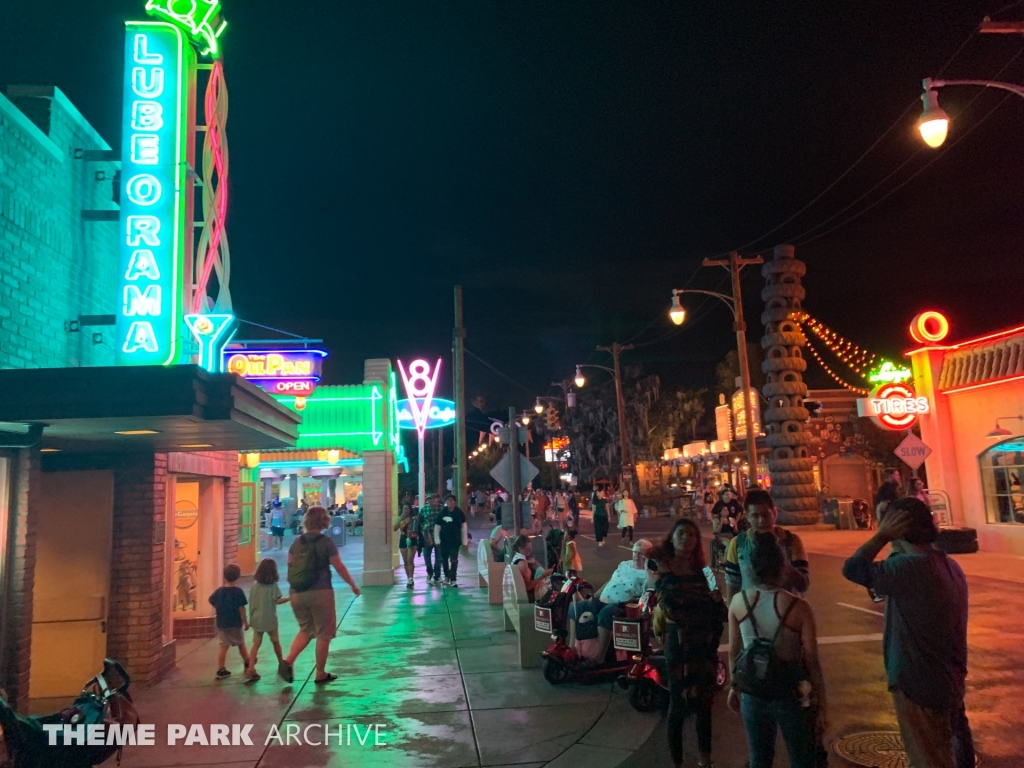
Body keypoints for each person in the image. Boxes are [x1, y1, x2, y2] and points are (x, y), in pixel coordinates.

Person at [842, 497, 973, 768]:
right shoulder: (949, 566)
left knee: (929, 760)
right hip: (948, 682)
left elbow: (853, 568)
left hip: (918, 686)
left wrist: (881, 536)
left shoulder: (909, 569)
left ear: (898, 528)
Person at [727, 533, 826, 768]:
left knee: (759, 759)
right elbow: (811, 659)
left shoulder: (738, 602)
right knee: (802, 758)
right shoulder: (800, 607)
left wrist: (734, 686)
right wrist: (821, 702)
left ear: (752, 568)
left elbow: (734, 652)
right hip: (790, 691)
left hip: (752, 690)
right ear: (783, 567)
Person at [650, 520, 726, 768]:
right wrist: (701, 605)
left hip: (703, 640)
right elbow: (668, 605)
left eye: (692, 535)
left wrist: (715, 600)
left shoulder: (705, 571)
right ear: (672, 537)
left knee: (705, 699)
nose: (687, 538)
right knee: (678, 700)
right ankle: (678, 762)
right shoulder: (662, 567)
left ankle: (706, 757)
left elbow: (719, 606)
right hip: (678, 641)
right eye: (681, 534)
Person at [279, 505, 360, 685]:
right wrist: (352, 584)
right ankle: (320, 673)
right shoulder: (326, 542)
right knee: (324, 633)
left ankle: (288, 661)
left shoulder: (296, 542)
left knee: (306, 630)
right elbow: (339, 566)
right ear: (324, 521)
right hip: (320, 592)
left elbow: (290, 567)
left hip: (297, 593)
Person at [724, 489, 809, 603]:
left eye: (766, 515)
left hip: (786, 610)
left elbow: (803, 584)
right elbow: (732, 587)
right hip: (751, 611)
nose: (761, 520)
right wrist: (733, 611)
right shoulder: (738, 544)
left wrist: (784, 565)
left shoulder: (791, 541)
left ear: (775, 512)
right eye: (755, 516)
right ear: (747, 516)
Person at [582, 539, 654, 663]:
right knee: (578, 607)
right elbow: (611, 581)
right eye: (635, 552)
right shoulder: (624, 564)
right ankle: (575, 648)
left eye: (640, 553)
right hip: (604, 599)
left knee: (606, 613)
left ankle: (599, 657)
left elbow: (650, 590)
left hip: (624, 605)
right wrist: (594, 596)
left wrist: (649, 567)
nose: (636, 556)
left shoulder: (648, 573)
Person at [246, 558, 290, 682]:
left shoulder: (254, 586)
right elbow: (278, 601)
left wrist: (250, 618)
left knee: (256, 644)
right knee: (275, 642)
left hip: (257, 619)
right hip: (270, 619)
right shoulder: (272, 586)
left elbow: (251, 602)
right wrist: (289, 598)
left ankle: (251, 667)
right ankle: (281, 663)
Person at [209, 563, 250, 680]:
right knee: (241, 643)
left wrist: (219, 608)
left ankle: (221, 669)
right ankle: (247, 662)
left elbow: (211, 600)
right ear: (238, 576)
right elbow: (242, 608)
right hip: (235, 623)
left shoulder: (219, 591)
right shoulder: (238, 592)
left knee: (223, 646)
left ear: (224, 576)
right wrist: (245, 622)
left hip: (222, 623)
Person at [434, 495, 468, 587]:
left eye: (451, 500)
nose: (449, 502)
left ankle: (453, 579)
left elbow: (464, 527)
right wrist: (437, 540)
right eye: (448, 501)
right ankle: (447, 576)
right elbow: (437, 526)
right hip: (444, 540)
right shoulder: (442, 512)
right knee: (444, 559)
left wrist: (465, 540)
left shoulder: (459, 512)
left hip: (455, 540)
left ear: (454, 502)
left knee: (454, 559)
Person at [509, 535, 554, 602]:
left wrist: (533, 562)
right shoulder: (522, 564)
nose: (530, 551)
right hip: (532, 597)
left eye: (531, 548)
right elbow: (528, 587)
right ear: (520, 548)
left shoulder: (516, 558)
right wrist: (543, 575)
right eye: (528, 549)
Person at [418, 494, 442, 585]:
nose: (432, 500)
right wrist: (423, 527)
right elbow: (420, 520)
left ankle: (437, 575)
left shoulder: (441, 509)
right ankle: (429, 572)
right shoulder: (424, 509)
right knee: (426, 556)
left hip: (438, 536)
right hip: (427, 536)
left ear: (437, 499)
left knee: (439, 557)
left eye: (433, 499)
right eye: (430, 499)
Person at [393, 503, 418, 588]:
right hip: (403, 539)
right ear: (402, 509)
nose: (406, 511)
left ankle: (411, 578)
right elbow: (394, 528)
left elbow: (417, 528)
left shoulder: (413, 518)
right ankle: (408, 578)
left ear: (410, 510)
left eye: (407, 509)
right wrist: (401, 518)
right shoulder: (399, 518)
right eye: (404, 509)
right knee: (405, 562)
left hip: (412, 539)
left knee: (410, 560)